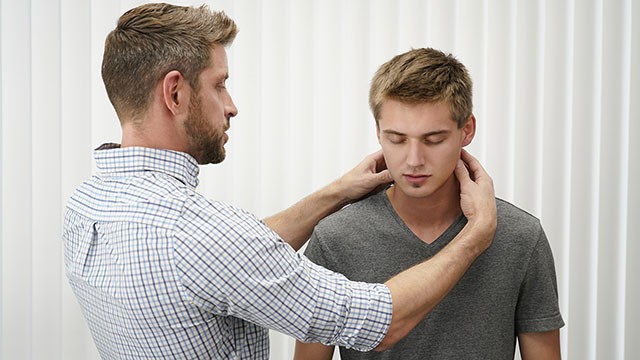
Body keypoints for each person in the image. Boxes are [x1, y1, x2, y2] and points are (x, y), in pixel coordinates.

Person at [62, 4, 498, 359]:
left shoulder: (85, 207)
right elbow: (377, 322)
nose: (231, 106)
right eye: (220, 85)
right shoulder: (198, 234)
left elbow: (224, 264)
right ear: (174, 93)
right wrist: (476, 235)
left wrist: (334, 193)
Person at [294, 47, 565, 360]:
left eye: (433, 139)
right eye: (396, 138)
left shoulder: (520, 236)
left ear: (467, 130)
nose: (413, 160)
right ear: (379, 132)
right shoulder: (335, 239)